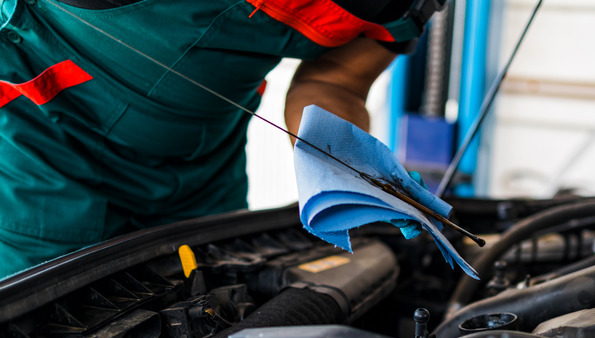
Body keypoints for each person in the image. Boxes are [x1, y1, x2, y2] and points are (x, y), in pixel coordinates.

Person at [0, 0, 441, 278]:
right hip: (43, 144)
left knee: (211, 304)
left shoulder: (392, 3)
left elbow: (339, 80)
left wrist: (343, 163)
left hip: (202, 168)